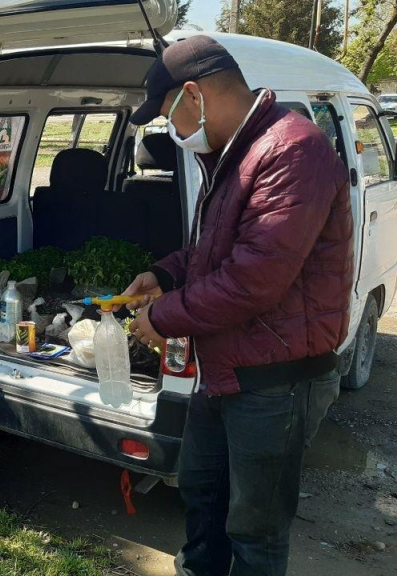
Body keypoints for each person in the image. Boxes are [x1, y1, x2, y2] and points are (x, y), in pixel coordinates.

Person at [125, 36, 354, 575]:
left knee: (255, 528)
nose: (174, 134)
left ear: (194, 96)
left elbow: (253, 279)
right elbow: (214, 249)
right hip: (225, 368)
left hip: (275, 379)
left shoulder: (292, 149)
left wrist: (159, 318)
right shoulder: (234, 154)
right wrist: (163, 274)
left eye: (168, 119)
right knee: (203, 497)